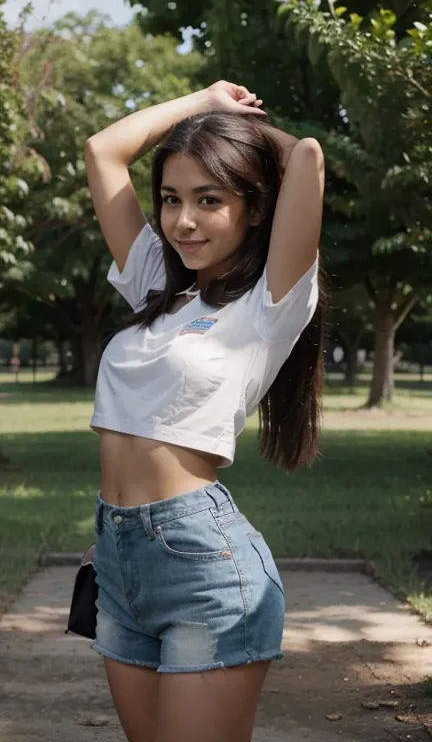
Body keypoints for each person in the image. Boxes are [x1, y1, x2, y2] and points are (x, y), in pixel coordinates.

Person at [85, 80, 325, 742]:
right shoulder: (158, 286)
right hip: (117, 557)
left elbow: (305, 156)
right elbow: (103, 152)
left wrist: (236, 128)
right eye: (171, 199)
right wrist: (202, 101)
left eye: (209, 200)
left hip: (200, 563)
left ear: (253, 207)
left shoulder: (269, 302)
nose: (182, 220)